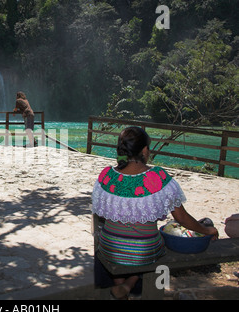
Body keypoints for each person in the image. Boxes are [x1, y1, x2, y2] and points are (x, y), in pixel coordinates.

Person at [92, 126, 219, 299]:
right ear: (144, 150)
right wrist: (208, 230)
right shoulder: (157, 177)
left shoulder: (107, 176)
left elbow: (103, 214)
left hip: (109, 246)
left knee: (119, 247)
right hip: (144, 249)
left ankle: (122, 287)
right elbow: (182, 218)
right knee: (152, 246)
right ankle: (129, 285)